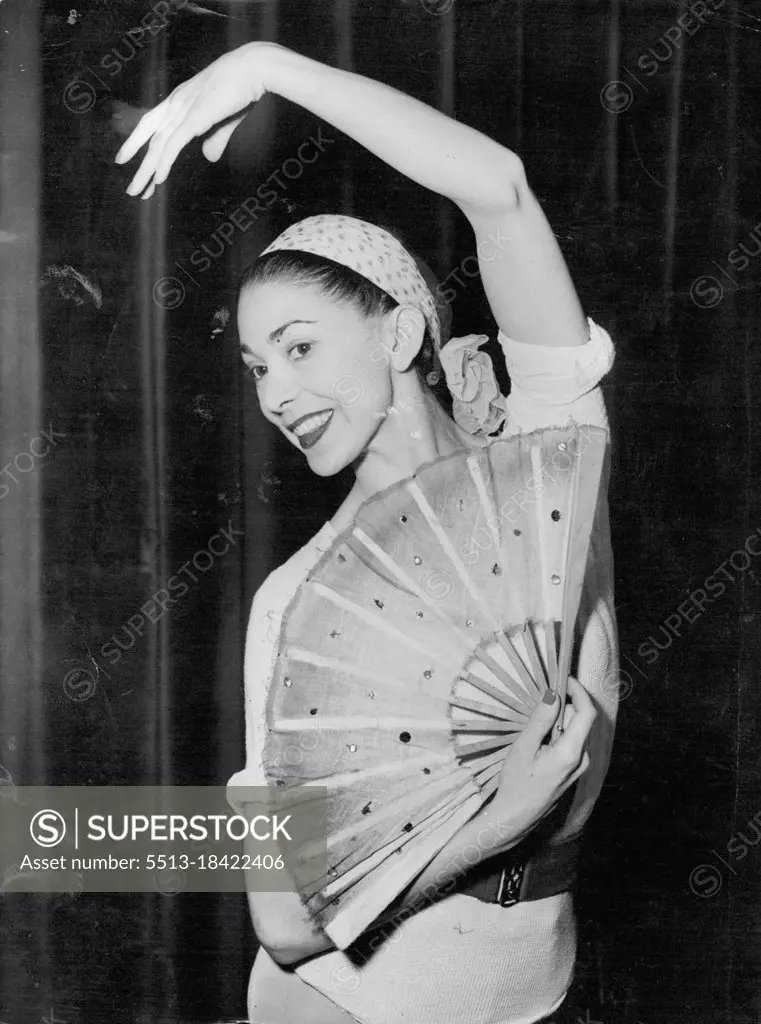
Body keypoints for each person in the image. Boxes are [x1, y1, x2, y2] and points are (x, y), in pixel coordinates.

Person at [116, 40, 619, 1024]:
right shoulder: (294, 600)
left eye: (300, 347)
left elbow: (499, 192)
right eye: (258, 368)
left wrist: (268, 64)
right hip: (341, 1004)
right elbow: (284, 919)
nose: (277, 393)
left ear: (397, 335)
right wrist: (499, 821)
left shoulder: (547, 458)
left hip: (537, 992)